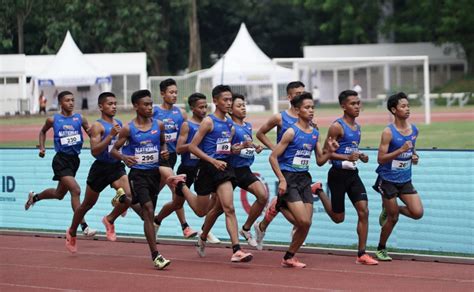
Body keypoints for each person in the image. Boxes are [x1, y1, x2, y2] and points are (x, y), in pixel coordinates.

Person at [269, 92, 338, 268]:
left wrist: (329, 151)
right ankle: (280, 205)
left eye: (312, 107)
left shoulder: (314, 133)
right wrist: (282, 180)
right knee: (304, 222)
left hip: (304, 179)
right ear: (298, 110)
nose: (311, 110)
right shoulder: (291, 132)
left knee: (306, 224)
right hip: (289, 178)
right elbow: (273, 157)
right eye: (307, 107)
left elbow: (320, 161)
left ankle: (289, 257)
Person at [189, 85, 253, 263]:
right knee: (201, 210)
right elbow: (192, 147)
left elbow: (227, 148)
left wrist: (238, 149)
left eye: (230, 100)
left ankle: (237, 249)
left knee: (228, 208)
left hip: (223, 170)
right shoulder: (208, 122)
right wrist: (212, 161)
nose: (228, 103)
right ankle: (180, 186)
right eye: (225, 100)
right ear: (215, 101)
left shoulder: (230, 123)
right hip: (207, 169)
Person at [255, 81, 321, 249]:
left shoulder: (308, 120)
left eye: (303, 92)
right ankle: (293, 227)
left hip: (301, 170)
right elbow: (260, 133)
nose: (300, 95)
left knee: (305, 218)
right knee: (301, 218)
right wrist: (274, 148)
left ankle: (293, 229)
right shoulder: (280, 117)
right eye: (297, 93)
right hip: (284, 168)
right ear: (289, 97)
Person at [110, 89, 171, 270]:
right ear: (136, 106)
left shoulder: (159, 125)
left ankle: (124, 200)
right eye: (146, 104)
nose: (150, 107)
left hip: (155, 174)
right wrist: (124, 158)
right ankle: (156, 255)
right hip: (137, 175)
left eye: (151, 104)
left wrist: (164, 151)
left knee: (147, 215)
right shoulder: (129, 128)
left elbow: (162, 143)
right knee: (148, 209)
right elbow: (114, 150)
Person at [316, 90, 378, 265]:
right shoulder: (337, 127)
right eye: (353, 103)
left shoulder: (357, 128)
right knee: (338, 218)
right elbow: (324, 154)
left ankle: (362, 254)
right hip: (337, 175)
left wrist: (360, 156)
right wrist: (346, 158)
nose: (357, 106)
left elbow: (350, 151)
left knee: (364, 211)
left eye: (358, 103)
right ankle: (318, 190)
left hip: (353, 175)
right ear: (343, 106)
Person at [65, 92, 132, 253]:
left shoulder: (119, 123)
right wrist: (110, 136)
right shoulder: (98, 126)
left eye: (115, 103)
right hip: (100, 168)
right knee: (87, 204)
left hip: (116, 166)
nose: (114, 106)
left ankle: (109, 219)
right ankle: (72, 231)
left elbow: (119, 146)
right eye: (110, 104)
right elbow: (95, 151)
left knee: (129, 197)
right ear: (101, 106)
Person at [25, 90, 96, 237]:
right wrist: (42, 147)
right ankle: (83, 226)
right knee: (75, 190)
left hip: (74, 160)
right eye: (67, 100)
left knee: (59, 194)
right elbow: (42, 132)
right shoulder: (53, 120)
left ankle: (34, 197)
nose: (71, 103)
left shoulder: (80, 119)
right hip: (60, 160)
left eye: (72, 100)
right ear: (60, 103)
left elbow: (91, 135)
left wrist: (99, 142)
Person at [153, 92, 220, 243]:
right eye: (200, 107)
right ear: (193, 108)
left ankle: (205, 230)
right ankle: (157, 220)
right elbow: (178, 148)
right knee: (177, 203)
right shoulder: (187, 125)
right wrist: (194, 146)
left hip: (204, 168)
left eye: (206, 107)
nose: (204, 110)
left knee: (216, 198)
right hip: (188, 168)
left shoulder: (210, 124)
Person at [373, 92, 424, 262]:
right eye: (403, 106)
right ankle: (381, 248)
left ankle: (389, 209)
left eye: (408, 106)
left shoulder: (414, 129)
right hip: (387, 180)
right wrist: (400, 151)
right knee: (393, 218)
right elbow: (380, 159)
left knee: (417, 213)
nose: (407, 109)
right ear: (394, 110)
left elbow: (411, 151)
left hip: (405, 179)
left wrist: (414, 157)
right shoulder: (388, 132)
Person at [152, 78, 197, 239]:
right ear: (162, 94)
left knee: (153, 191)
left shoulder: (181, 113)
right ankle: (185, 226)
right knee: (176, 188)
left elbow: (187, 133)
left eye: (176, 92)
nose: (174, 95)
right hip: (157, 156)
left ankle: (128, 203)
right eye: (171, 92)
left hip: (171, 157)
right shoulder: (154, 112)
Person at [229, 93, 268, 247]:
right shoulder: (229, 126)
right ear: (230, 110)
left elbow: (247, 145)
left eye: (244, 105)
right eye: (239, 106)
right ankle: (204, 235)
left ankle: (246, 228)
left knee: (262, 196)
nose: (243, 108)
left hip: (244, 170)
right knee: (217, 208)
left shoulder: (248, 126)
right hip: (230, 171)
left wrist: (255, 147)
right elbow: (228, 149)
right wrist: (240, 148)